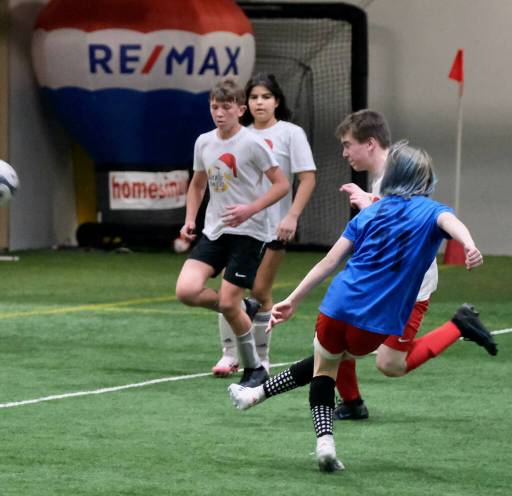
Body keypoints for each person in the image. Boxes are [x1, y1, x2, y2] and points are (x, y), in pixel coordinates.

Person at [227, 142, 494, 472]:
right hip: (375, 320)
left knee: (325, 365)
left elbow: (330, 261)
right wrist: (468, 245)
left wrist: (293, 299)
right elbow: (452, 225)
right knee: (345, 361)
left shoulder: (370, 212)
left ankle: (321, 442)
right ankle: (259, 397)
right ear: (424, 181)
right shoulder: (431, 210)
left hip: (336, 304)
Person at [330, 110, 497, 420]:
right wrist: (370, 201)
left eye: (348, 144)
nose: (344, 152)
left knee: (389, 364)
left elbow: (436, 216)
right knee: (333, 332)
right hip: (380, 283)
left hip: (407, 289)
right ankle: (352, 402)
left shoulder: (400, 172)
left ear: (369, 144)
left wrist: (468, 243)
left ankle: (459, 325)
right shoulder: (383, 177)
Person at [176, 76, 290, 387]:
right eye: (214, 107)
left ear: (241, 110)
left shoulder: (253, 144)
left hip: (249, 232)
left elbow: (282, 185)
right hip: (215, 230)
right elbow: (198, 185)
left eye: (226, 107)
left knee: (227, 303)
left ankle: (255, 368)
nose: (219, 113)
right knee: (186, 290)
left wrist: (250, 209)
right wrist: (190, 219)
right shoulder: (204, 142)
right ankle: (246, 309)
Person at [211, 73, 317, 377]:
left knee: (259, 291)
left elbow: (307, 178)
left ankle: (260, 357)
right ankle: (230, 354)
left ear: (276, 101)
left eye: (265, 97)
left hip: (274, 227)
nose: (260, 102)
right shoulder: (235, 134)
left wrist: (292, 215)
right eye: (254, 97)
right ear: (245, 104)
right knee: (228, 291)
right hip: (238, 228)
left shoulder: (290, 134)